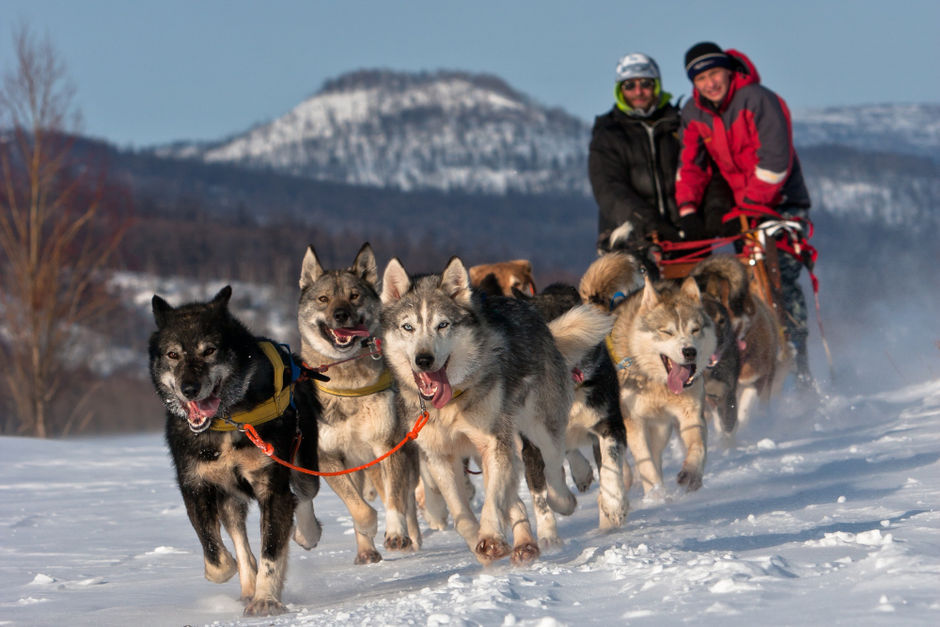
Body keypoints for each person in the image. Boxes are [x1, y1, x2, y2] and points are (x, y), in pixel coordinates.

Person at [676, 41, 814, 389]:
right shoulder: (694, 113)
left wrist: (752, 206)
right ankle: (754, 360)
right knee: (746, 285)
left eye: (715, 73)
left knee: (779, 275)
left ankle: (797, 358)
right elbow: (690, 166)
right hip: (744, 210)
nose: (710, 83)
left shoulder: (758, 99)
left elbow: (774, 161)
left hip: (780, 201)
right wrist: (689, 210)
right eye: (702, 78)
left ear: (728, 71)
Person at [588, 52, 731, 255]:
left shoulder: (680, 123)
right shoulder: (608, 133)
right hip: (632, 241)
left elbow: (707, 169)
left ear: (656, 85)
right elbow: (608, 189)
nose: (639, 92)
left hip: (687, 238)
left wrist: (712, 212)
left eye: (646, 84)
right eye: (629, 85)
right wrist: (649, 223)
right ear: (619, 90)